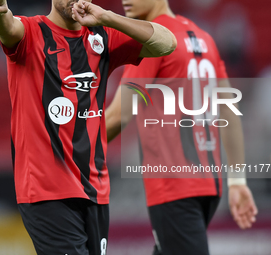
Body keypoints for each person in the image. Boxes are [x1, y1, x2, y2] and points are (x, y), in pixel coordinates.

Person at [0, 0, 176, 254]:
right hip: (47, 191)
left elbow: (166, 43)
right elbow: (7, 27)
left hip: (95, 190)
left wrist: (108, 17)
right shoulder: (31, 32)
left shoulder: (102, 35)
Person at [105, 0, 258, 254]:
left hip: (174, 187)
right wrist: (238, 181)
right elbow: (230, 112)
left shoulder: (153, 39)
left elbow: (119, 116)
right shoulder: (204, 38)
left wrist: (73, 146)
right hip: (210, 186)